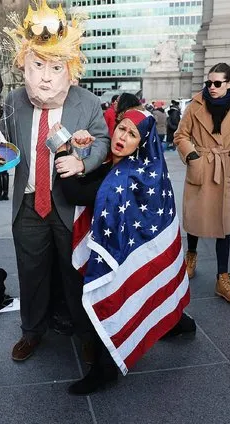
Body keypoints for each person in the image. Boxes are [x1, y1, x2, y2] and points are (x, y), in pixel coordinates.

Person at [55, 108, 196, 394]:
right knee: (147, 287)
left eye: (132, 134)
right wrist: (81, 156)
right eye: (121, 128)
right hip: (136, 249)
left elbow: (77, 194)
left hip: (127, 253)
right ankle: (176, 321)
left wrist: (61, 152)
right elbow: (91, 183)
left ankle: (105, 371)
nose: (123, 137)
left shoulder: (126, 176)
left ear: (141, 142)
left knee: (111, 297)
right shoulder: (121, 164)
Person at [3, 0, 110, 363]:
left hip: (69, 204)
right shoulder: (12, 103)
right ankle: (32, 331)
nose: (46, 77)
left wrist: (82, 164)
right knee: (30, 272)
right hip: (30, 203)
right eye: (37, 66)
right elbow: (0, 141)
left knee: (75, 270)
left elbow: (103, 141)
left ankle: (85, 332)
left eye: (55, 67)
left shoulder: (88, 102)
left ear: (71, 68)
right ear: (24, 64)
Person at [174, 62, 230, 304]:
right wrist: (192, 156)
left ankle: (222, 278)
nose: (212, 87)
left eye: (218, 83)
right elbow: (180, 135)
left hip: (223, 168)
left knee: (223, 225)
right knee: (195, 220)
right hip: (201, 166)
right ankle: (191, 256)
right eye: (209, 83)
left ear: (229, 84)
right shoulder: (196, 104)